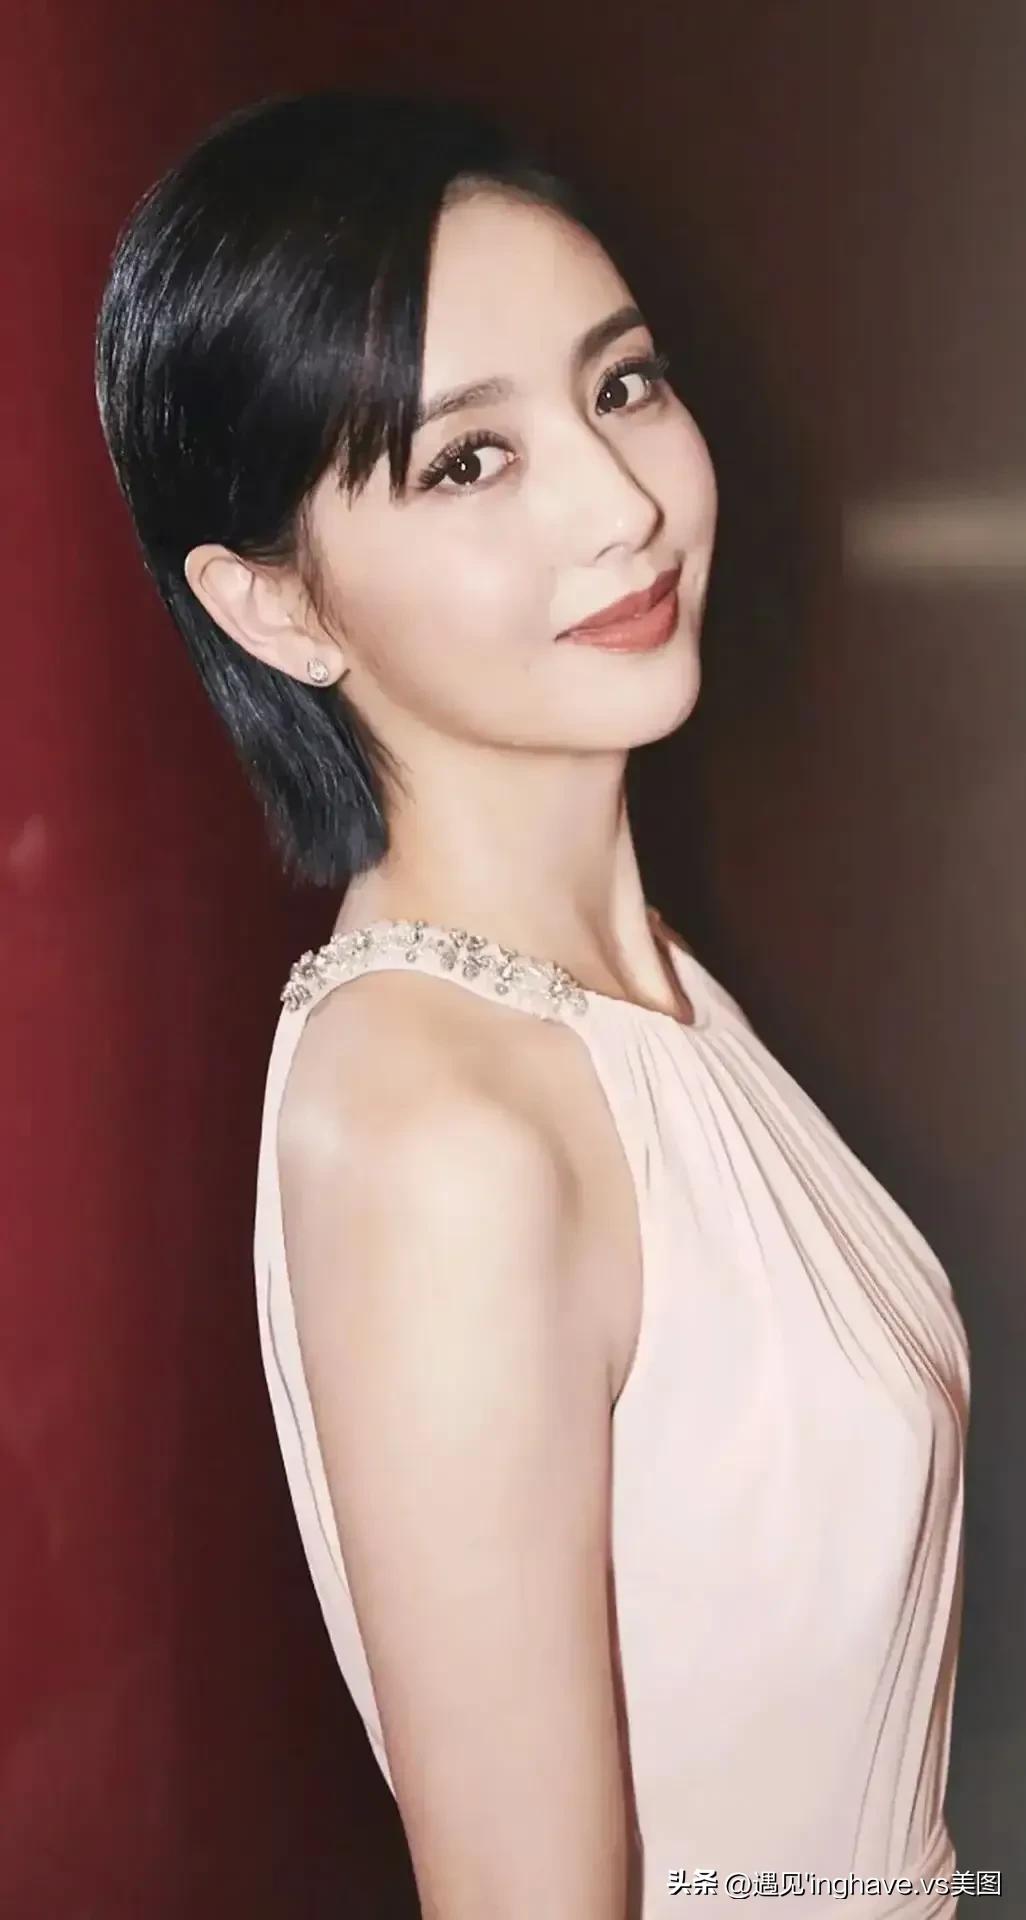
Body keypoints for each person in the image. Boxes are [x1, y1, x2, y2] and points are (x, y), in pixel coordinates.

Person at [93, 90, 970, 1920]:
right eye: (468, 462)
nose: (622, 503)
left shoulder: (636, 988)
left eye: (622, 383)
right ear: (275, 609)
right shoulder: (439, 1127)